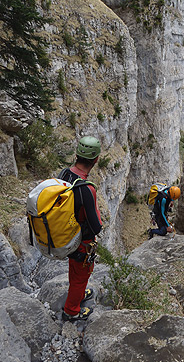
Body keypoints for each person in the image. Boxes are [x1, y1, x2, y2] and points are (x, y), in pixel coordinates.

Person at [58, 136, 102, 322]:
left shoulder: (64, 174)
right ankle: (72, 310)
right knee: (81, 275)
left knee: (75, 271)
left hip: (66, 233)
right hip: (82, 240)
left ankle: (78, 294)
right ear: (96, 159)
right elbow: (96, 226)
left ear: (77, 155)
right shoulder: (86, 188)